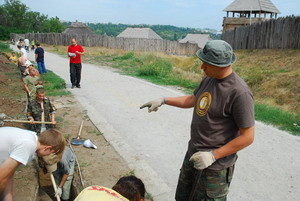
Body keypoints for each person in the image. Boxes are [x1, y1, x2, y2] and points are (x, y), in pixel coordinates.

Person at [140, 40, 255, 201]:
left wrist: (213, 155)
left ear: (221, 65)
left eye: (206, 64)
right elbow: (193, 99)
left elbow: (248, 137)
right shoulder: (209, 79)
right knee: (182, 198)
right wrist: (163, 100)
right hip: (193, 155)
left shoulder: (239, 93)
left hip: (215, 168)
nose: (202, 67)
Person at [0, 127, 66, 201]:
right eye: (51, 153)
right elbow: (1, 178)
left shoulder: (31, 137)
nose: (47, 156)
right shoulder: (27, 146)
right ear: (47, 148)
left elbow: (8, 175)